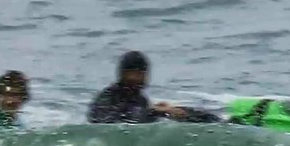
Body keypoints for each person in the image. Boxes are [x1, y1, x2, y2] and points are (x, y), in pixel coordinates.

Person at [87, 50, 219, 124]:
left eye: (142, 73)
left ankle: (220, 121)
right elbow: (108, 122)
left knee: (184, 112)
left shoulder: (140, 99)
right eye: (133, 73)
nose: (138, 78)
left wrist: (170, 112)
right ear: (122, 74)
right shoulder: (108, 97)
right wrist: (156, 111)